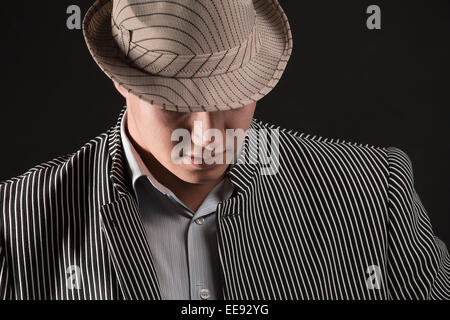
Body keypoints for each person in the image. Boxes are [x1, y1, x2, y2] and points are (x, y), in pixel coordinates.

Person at [0, 0, 449, 300]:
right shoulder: (13, 226)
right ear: (120, 76)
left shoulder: (371, 193)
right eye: (176, 104)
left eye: (230, 98)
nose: (206, 135)